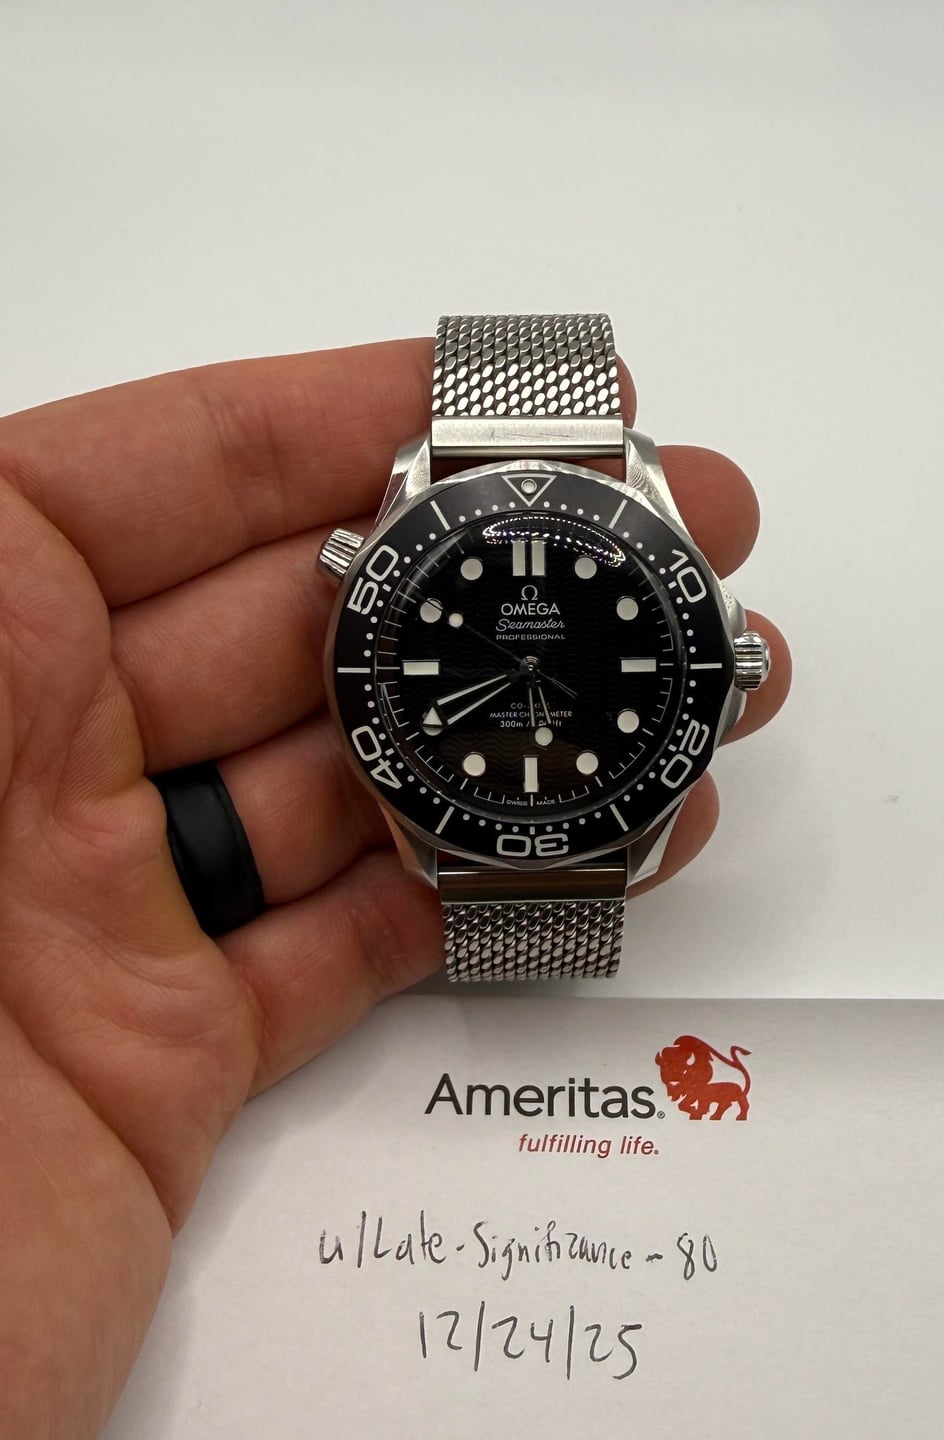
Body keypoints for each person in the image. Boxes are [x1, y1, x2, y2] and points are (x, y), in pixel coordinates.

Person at [0, 338, 790, 1438]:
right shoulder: (494, 585)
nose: (529, 667)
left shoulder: (616, 530)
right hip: (446, 814)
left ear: (726, 661)